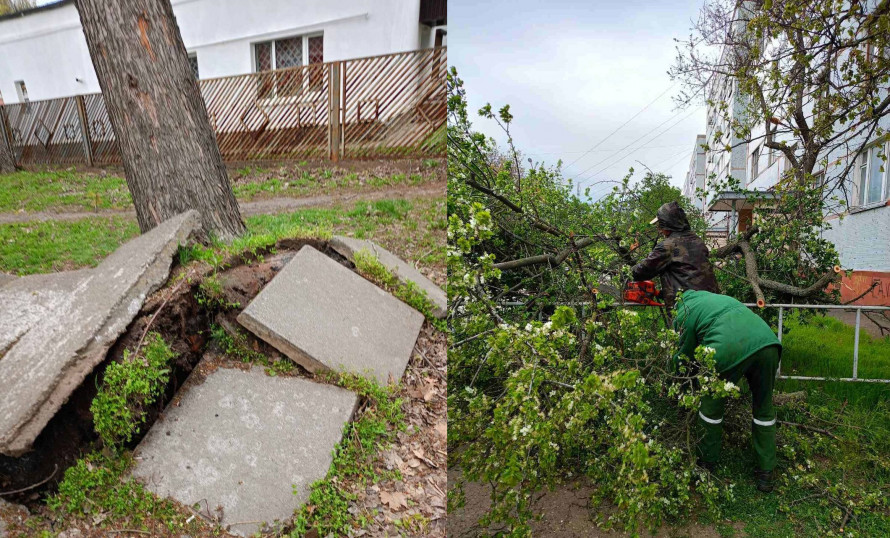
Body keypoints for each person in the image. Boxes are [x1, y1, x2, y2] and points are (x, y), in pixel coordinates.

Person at [673, 289, 781, 492]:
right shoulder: (715, 299)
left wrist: (678, 386)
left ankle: (706, 464)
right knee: (764, 407)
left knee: (710, 408)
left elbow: (683, 357)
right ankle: (766, 472)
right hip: (768, 343)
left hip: (728, 347)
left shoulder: (684, 311)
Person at [631, 201, 719, 309]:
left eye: (660, 225)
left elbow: (640, 272)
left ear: (666, 225)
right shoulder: (697, 240)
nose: (660, 229)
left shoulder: (668, 245)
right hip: (712, 302)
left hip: (689, 308)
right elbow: (689, 276)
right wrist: (660, 294)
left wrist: (631, 267)